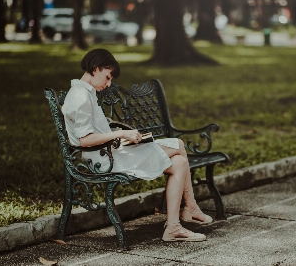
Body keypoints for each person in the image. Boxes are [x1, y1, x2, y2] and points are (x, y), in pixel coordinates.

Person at [61, 48, 212, 242]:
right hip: (100, 159)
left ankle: (174, 226)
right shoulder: (80, 96)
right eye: (107, 77)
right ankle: (189, 208)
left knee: (180, 163)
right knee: (178, 145)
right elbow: (84, 140)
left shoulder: (85, 93)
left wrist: (121, 135)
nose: (108, 84)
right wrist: (122, 133)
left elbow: (94, 130)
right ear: (95, 68)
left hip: (107, 152)